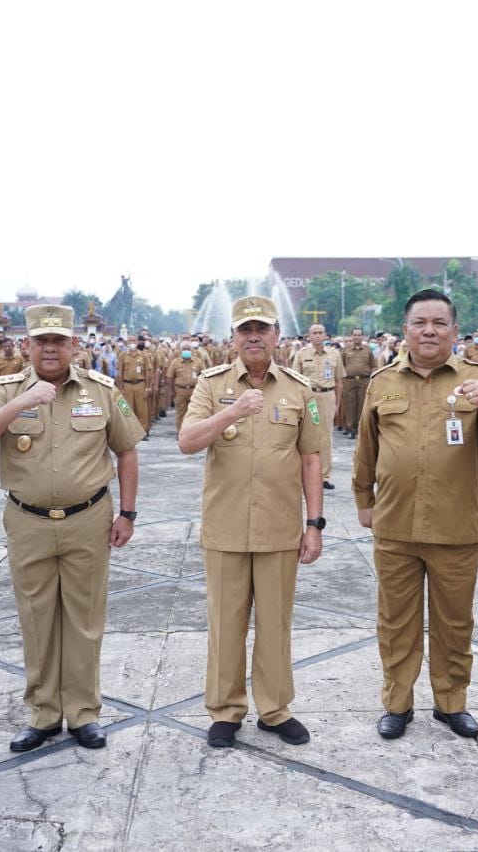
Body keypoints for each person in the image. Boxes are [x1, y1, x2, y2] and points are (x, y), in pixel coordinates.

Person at [0, 305, 142, 753]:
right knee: (36, 620)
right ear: (27, 345)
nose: (49, 347)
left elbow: (126, 451)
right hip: (28, 521)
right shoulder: (6, 390)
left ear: (74, 346)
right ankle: (43, 715)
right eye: (41, 340)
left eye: (58, 340)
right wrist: (24, 400)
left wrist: (129, 513)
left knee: (84, 621)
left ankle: (83, 713)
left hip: (89, 520)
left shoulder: (101, 390)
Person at [353, 289, 478, 740]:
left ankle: (451, 703)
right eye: (420, 322)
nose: (429, 330)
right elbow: (366, 449)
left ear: (454, 331)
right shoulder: (383, 381)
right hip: (395, 524)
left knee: (455, 622)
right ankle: (397, 704)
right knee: (396, 621)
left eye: (439, 323)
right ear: (405, 330)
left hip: (455, 524)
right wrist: (363, 501)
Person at [178, 295, 325, 748]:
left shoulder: (300, 388)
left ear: (277, 335)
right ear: (234, 338)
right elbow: (186, 441)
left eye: (262, 329)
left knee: (276, 624)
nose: (254, 337)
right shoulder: (211, 384)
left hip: (280, 528)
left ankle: (275, 709)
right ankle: (225, 710)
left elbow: (311, 459)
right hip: (224, 527)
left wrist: (315, 523)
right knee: (226, 624)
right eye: (245, 330)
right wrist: (232, 411)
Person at [291, 324, 345, 489]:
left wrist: (337, 405)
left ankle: (324, 475)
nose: (317, 335)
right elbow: (294, 381)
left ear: (325, 336)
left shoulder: (334, 354)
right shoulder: (301, 354)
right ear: (309, 336)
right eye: (314, 333)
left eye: (320, 333)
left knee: (326, 437)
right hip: (309, 397)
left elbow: (339, 382)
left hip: (327, 396)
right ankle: (303, 473)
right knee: (306, 435)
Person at [340, 328, 378, 438]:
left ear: (362, 336)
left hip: (364, 380)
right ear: (351, 336)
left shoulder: (368, 350)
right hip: (349, 381)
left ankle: (362, 430)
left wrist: (372, 378)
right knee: (350, 405)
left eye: (359, 335)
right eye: (355, 334)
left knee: (363, 405)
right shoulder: (345, 350)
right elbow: (340, 366)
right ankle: (352, 430)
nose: (357, 337)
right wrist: (341, 381)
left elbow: (373, 366)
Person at [166, 342, 203, 432]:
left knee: (194, 413)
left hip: (194, 390)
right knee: (180, 413)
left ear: (191, 350)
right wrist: (171, 391)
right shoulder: (175, 362)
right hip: (179, 391)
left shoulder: (198, 361)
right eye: (184, 349)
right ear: (181, 351)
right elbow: (169, 377)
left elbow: (204, 376)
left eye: (188, 349)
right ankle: (180, 432)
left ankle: (192, 432)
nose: (186, 351)